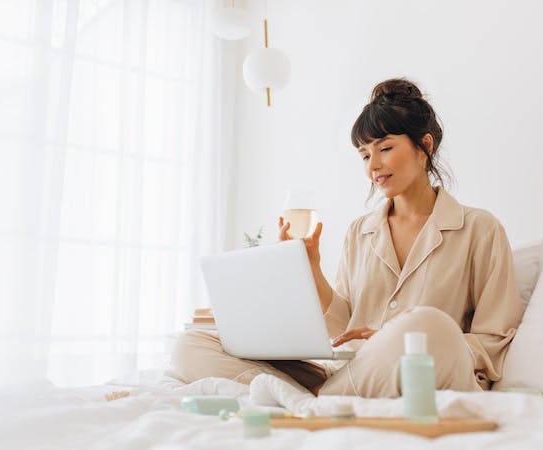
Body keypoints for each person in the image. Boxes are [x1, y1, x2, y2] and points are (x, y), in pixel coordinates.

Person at [168, 78, 524, 398]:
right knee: (191, 344)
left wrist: (394, 339)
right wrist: (312, 268)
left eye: (384, 149)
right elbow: (344, 329)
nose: (373, 166)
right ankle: (323, 395)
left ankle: (314, 395)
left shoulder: (479, 229)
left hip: (428, 367)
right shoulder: (361, 232)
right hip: (355, 369)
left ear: (425, 146)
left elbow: (493, 341)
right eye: (365, 155)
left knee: (427, 325)